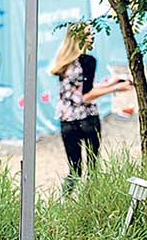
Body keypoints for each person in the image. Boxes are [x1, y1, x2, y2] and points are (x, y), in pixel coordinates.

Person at [48, 22, 133, 194]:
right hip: (87, 119)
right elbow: (86, 96)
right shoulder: (87, 61)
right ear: (80, 37)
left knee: (74, 170)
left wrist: (110, 83)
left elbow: (78, 90)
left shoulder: (64, 63)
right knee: (93, 168)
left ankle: (63, 202)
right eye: (89, 33)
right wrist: (117, 87)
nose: (92, 35)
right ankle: (91, 202)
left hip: (68, 121)